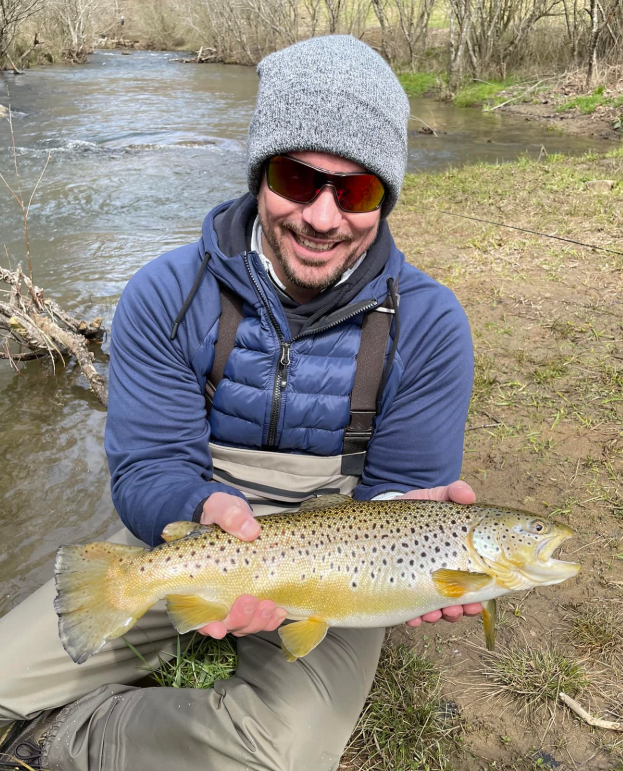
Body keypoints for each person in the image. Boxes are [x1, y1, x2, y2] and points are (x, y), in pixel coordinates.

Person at [0, 35, 479, 771]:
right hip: (188, 533)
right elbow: (150, 466)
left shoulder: (430, 325)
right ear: (260, 174)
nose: (323, 218)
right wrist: (200, 512)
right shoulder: (166, 292)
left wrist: (425, 552)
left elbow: (395, 498)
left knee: (273, 755)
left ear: (385, 198)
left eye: (356, 191)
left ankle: (61, 738)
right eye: (298, 178)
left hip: (339, 570)